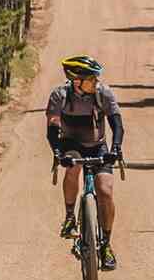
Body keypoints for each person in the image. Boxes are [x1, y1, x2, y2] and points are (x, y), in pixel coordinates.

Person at [46, 54, 126, 268]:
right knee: (73, 167)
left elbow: (117, 124)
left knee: (106, 191)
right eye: (92, 78)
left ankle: (106, 244)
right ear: (77, 80)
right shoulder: (60, 96)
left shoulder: (103, 93)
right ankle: (71, 216)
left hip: (98, 145)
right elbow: (52, 129)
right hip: (71, 144)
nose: (96, 82)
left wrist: (116, 148)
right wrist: (57, 152)